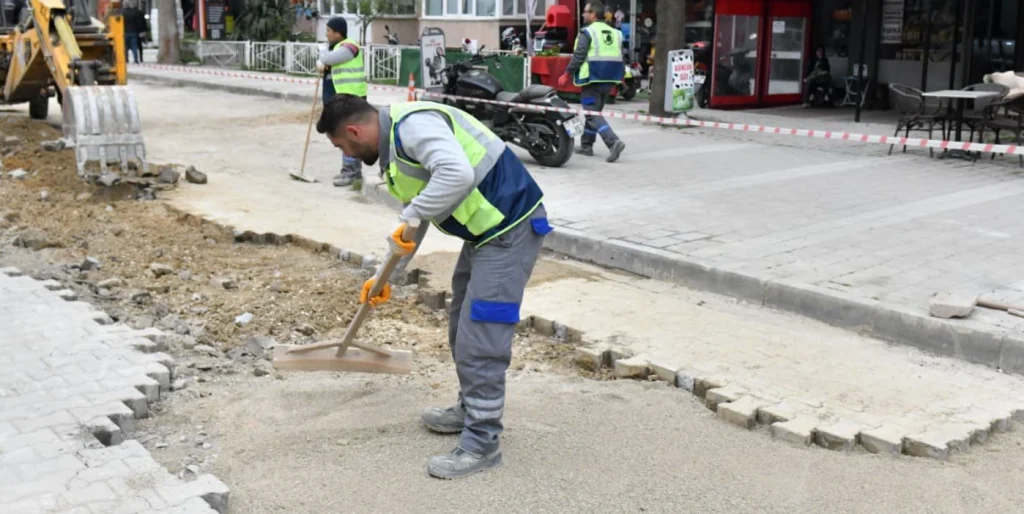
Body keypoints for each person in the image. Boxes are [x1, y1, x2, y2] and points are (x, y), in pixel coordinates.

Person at [315, 94, 551, 480]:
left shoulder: (414, 127)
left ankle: (482, 442)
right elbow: (415, 221)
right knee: (461, 325)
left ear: (355, 130)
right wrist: (385, 275)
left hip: (511, 230)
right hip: (485, 234)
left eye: (344, 145)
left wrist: (412, 213)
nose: (350, 154)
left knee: (482, 336)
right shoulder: (397, 149)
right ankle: (470, 408)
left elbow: (455, 176)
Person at [559, 0, 626, 163]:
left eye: (586, 12)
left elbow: (579, 55)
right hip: (609, 78)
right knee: (595, 113)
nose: (583, 14)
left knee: (591, 113)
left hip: (593, 77)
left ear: (593, 15)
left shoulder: (588, 32)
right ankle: (586, 146)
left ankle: (613, 142)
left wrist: (567, 73)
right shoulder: (615, 32)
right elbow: (621, 56)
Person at [317, 16, 367, 187]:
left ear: (338, 33)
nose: (327, 34)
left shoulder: (349, 47)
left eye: (329, 31)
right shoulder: (337, 47)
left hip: (352, 98)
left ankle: (351, 173)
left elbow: (328, 59)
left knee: (348, 136)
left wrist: (323, 55)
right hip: (343, 98)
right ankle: (351, 171)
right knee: (343, 135)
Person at [122, 0, 146, 64]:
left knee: (125, 46)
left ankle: (126, 59)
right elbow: (138, 22)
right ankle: (136, 59)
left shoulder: (122, 13)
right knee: (134, 46)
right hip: (134, 31)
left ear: (124, 5)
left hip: (125, 32)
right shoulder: (134, 13)